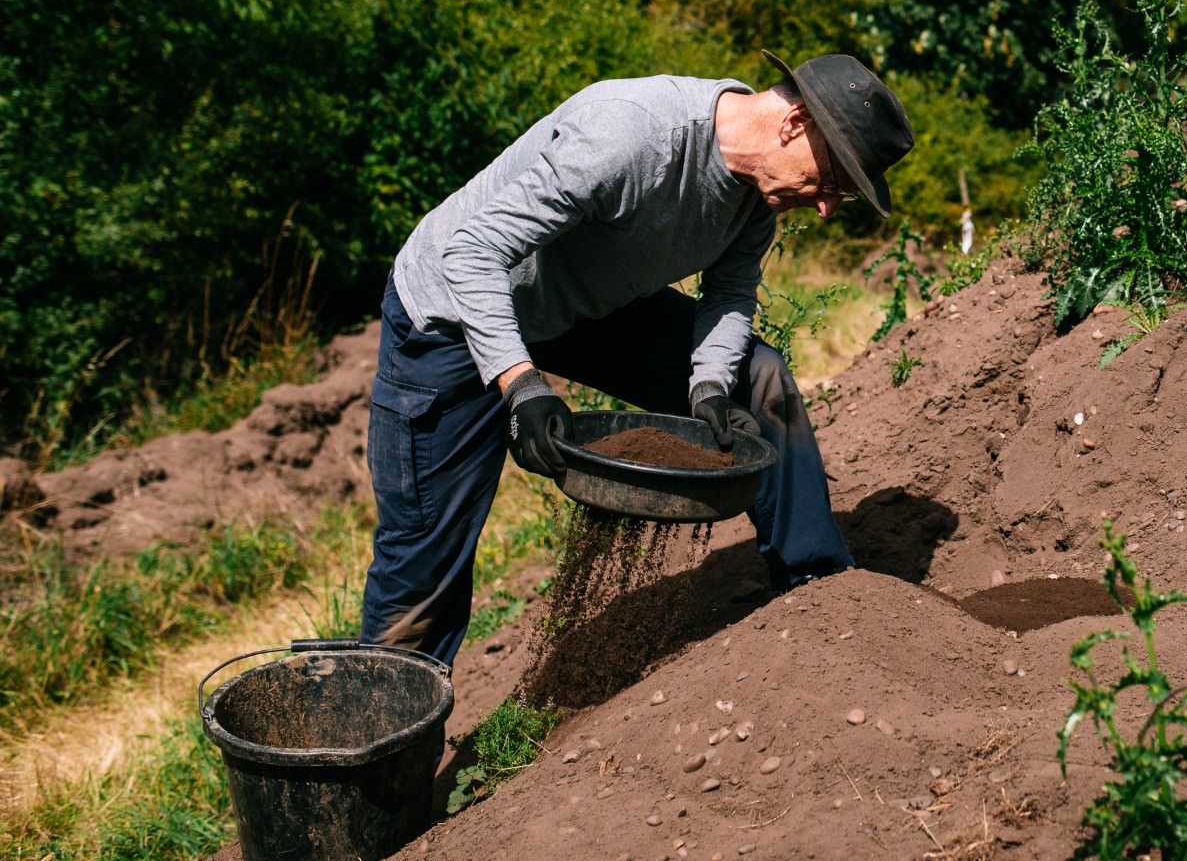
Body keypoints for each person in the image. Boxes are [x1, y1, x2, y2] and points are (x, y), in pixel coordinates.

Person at [359, 51, 914, 668]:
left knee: (758, 381)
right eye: (833, 181)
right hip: (455, 311)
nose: (827, 207)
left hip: (585, 305)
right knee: (424, 563)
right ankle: (382, 748)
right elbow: (471, 254)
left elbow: (729, 293)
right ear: (795, 124)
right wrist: (520, 385)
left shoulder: (757, 199)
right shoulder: (628, 133)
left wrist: (707, 385)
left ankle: (818, 589)